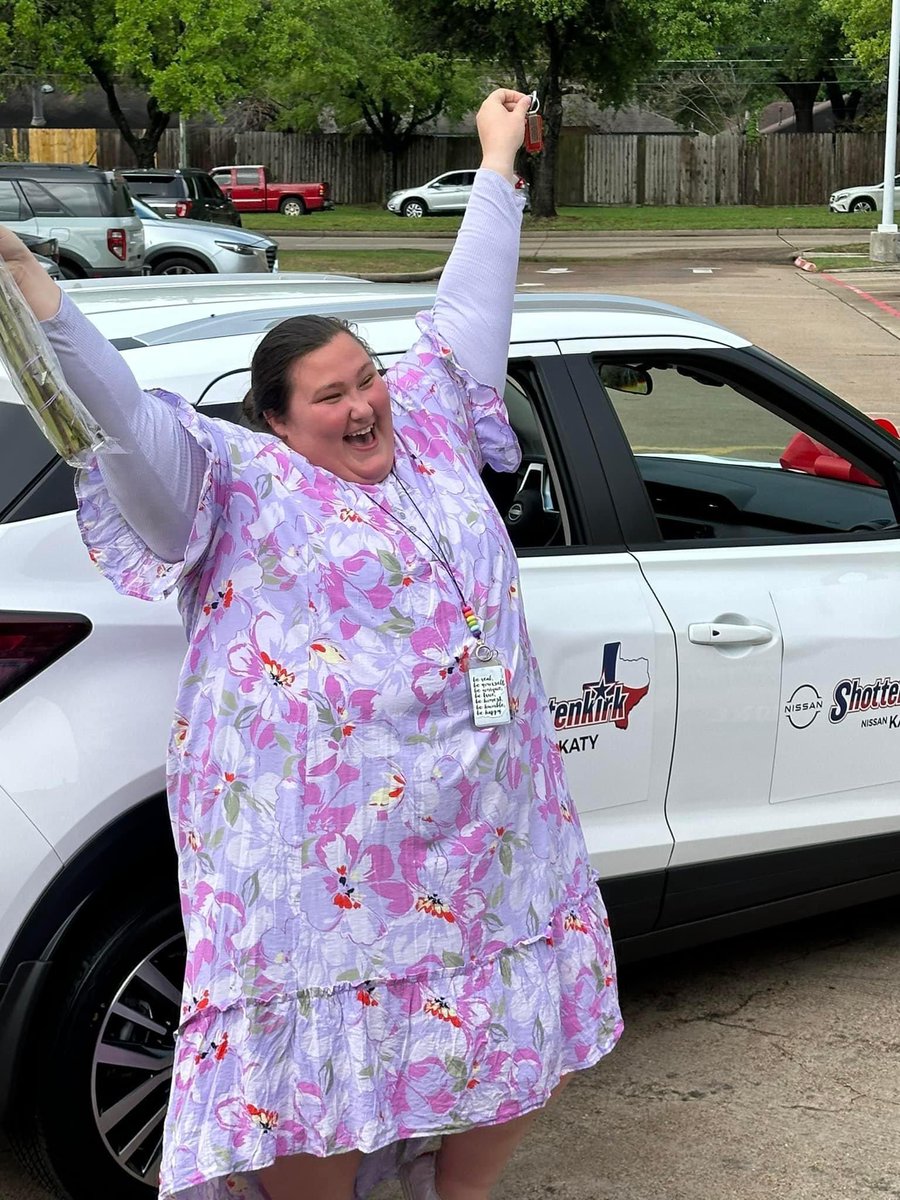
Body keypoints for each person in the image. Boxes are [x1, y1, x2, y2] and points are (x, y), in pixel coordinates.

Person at [0, 89, 622, 1200]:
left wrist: (493, 161)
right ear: (278, 419)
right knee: (316, 1081)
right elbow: (120, 424)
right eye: (331, 396)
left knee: (513, 1047)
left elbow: (474, 297)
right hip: (318, 869)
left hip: (488, 837)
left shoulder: (431, 420)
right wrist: (32, 288)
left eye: (365, 376)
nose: (363, 404)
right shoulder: (232, 481)